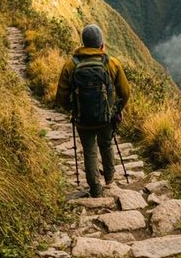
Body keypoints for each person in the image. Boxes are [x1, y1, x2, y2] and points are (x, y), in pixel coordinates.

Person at [55, 23, 130, 197]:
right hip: (106, 118)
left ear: (83, 44)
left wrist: (74, 109)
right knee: (106, 145)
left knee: (89, 151)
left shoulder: (70, 65)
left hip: (83, 120)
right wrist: (116, 108)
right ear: (101, 45)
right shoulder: (112, 63)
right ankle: (110, 180)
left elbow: (61, 97)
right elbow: (125, 93)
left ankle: (95, 188)